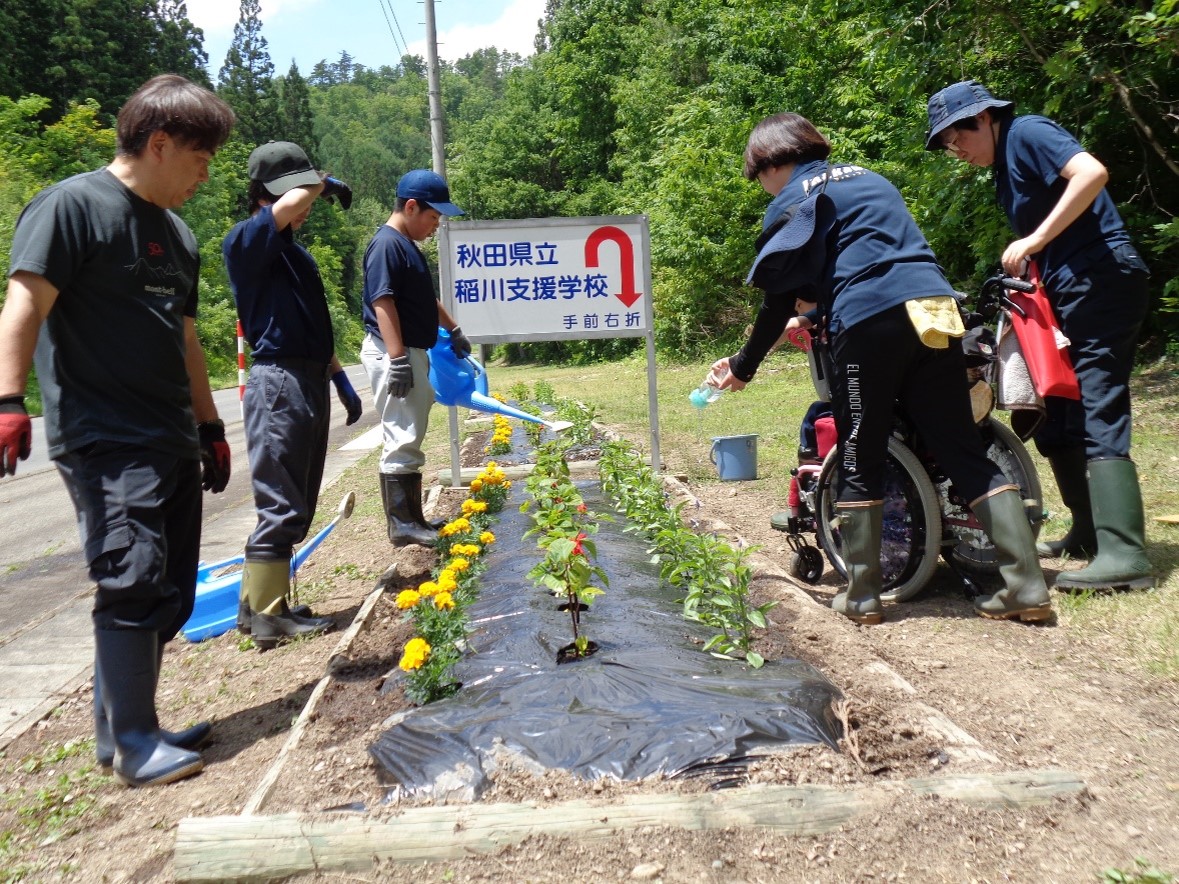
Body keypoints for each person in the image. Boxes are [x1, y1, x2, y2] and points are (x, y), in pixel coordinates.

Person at [705, 111, 1051, 624]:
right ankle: (1025, 586)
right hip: (935, 306)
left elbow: (778, 300)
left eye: (756, 176)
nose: (761, 188)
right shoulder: (869, 178)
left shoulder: (794, 199)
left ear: (771, 162)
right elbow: (873, 261)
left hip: (870, 319)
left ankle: (863, 593)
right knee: (960, 446)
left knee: (858, 449)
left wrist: (743, 365)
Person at [0, 75, 235, 786]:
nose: (204, 174)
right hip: (102, 432)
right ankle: (133, 744)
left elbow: (188, 340)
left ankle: (124, 728)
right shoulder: (72, 208)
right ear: (158, 144)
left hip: (167, 431)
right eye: (198, 158)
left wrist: (210, 424)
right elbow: (24, 302)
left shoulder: (179, 233)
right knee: (131, 575)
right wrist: (8, 399)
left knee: (171, 591)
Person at [924, 81, 1155, 592]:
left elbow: (1091, 173)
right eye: (944, 144)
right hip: (1069, 287)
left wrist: (1035, 238)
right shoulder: (1005, 164)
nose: (953, 150)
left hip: (1102, 278)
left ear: (982, 118)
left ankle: (1125, 551)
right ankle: (1090, 531)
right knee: (1061, 409)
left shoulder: (1027, 132)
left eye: (954, 137)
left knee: (1097, 401)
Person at [222, 140, 362, 651]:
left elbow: (310, 326)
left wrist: (339, 378)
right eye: (301, 195)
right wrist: (319, 184)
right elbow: (286, 208)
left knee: (296, 502)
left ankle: (260, 605)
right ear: (269, 194)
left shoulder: (297, 259)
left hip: (306, 376)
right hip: (278, 381)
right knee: (280, 503)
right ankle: (266, 616)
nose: (307, 208)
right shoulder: (246, 243)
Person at [360, 169, 471, 546]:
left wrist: (453, 328)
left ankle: (413, 518)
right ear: (411, 206)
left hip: (409, 350)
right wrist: (398, 359)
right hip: (395, 352)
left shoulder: (406, 245)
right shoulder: (386, 245)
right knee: (403, 433)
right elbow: (382, 301)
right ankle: (402, 524)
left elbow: (424, 297)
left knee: (412, 431)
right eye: (433, 217)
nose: (435, 225)